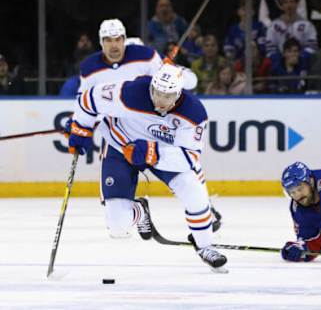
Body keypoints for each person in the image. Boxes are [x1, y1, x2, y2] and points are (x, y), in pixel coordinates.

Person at [66, 63, 227, 272]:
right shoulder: (131, 92)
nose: (160, 100)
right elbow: (88, 100)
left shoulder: (194, 113)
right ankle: (140, 212)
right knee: (117, 226)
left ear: (179, 94)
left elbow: (190, 157)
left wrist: (154, 152)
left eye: (167, 96)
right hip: (119, 146)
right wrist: (81, 127)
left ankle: (205, 247)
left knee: (193, 188)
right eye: (157, 93)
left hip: (163, 152)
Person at [76, 19, 222, 228]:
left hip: (153, 128)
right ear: (101, 42)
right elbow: (85, 100)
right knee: (115, 212)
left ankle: (204, 206)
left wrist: (178, 72)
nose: (114, 45)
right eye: (108, 40)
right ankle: (135, 210)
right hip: (120, 133)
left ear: (125, 40)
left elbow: (187, 81)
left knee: (185, 164)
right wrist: (81, 124)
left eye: (118, 39)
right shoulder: (89, 67)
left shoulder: (146, 57)